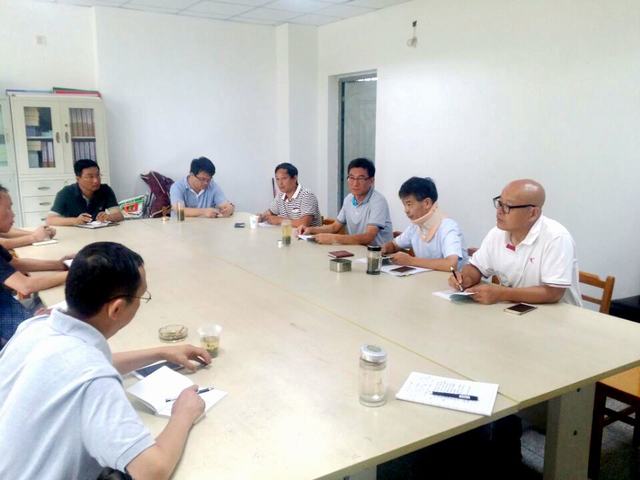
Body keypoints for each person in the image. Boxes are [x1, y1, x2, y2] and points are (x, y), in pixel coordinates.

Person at [0, 241, 212, 479]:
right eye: (141, 296)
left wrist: (160, 353)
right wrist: (183, 414)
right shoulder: (93, 377)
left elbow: (86, 368)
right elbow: (151, 471)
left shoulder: (36, 327)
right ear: (116, 309)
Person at [449, 179, 581, 305]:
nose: (499, 211)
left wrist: (502, 294)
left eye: (507, 206)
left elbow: (554, 293)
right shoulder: (497, 233)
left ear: (532, 213)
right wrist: (466, 278)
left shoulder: (556, 238)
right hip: (515, 309)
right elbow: (476, 267)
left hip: (556, 314)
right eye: (499, 203)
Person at [0, 185, 69, 346]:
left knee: (50, 304)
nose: (13, 214)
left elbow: (16, 263)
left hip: (7, 306)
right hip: (6, 323)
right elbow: (25, 286)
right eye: (8, 208)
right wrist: (78, 272)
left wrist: (59, 265)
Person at [299, 158, 393, 245]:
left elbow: (368, 237)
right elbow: (335, 227)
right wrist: (310, 229)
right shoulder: (349, 199)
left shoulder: (378, 201)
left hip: (378, 254)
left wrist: (334, 238)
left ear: (371, 180)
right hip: (356, 250)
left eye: (361, 178)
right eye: (351, 178)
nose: (355, 183)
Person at [381, 177, 468, 271]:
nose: (406, 210)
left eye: (409, 204)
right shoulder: (415, 227)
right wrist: (386, 248)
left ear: (427, 203)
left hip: (451, 280)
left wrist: (410, 261)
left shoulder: (448, 227)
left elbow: (451, 265)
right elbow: (394, 245)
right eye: (404, 205)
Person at [47, 159, 124, 226]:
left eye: (98, 175)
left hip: (98, 232)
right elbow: (50, 220)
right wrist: (76, 221)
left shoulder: (105, 190)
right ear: (78, 179)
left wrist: (108, 217)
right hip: (74, 233)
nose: (96, 180)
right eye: (90, 177)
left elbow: (119, 216)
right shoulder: (66, 193)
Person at [258, 163, 321, 227]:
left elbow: (304, 224)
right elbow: (270, 213)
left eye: (284, 178)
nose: (280, 183)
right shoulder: (280, 196)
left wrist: (279, 220)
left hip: (308, 233)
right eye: (277, 179)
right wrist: (261, 217)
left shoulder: (307, 195)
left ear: (294, 178)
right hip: (288, 232)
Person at [169, 157, 234, 218]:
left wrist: (229, 208)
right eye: (202, 179)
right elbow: (179, 210)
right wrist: (204, 212)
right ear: (191, 174)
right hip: (181, 225)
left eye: (208, 179)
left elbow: (225, 205)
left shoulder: (212, 185)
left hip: (206, 225)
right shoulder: (177, 187)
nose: (206, 183)